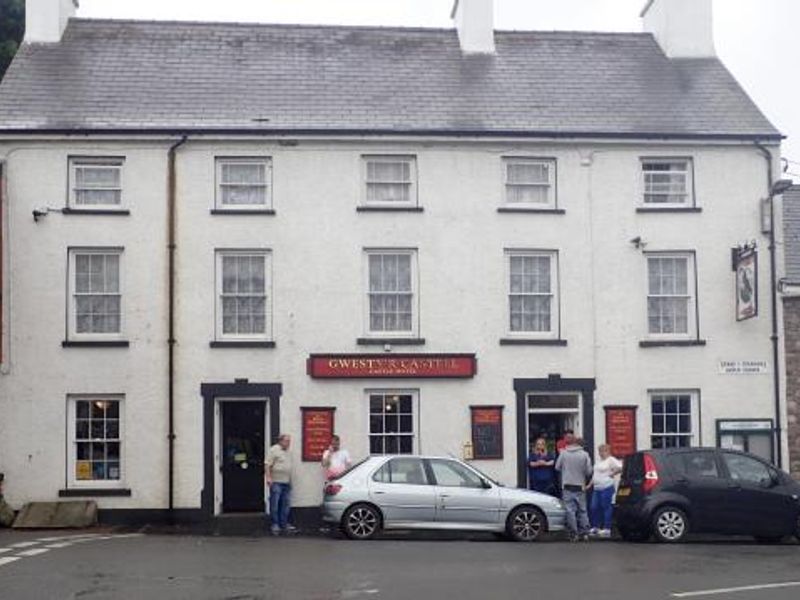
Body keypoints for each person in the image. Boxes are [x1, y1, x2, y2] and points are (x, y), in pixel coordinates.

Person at [555, 431, 593, 542]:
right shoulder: (585, 455)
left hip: (567, 485)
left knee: (570, 511)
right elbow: (589, 472)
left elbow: (557, 467)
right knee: (582, 510)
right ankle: (585, 533)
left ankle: (574, 534)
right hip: (580, 485)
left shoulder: (564, 453)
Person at [265, 433, 296, 536]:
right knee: (275, 504)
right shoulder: (274, 450)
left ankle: (284, 524)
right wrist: (268, 478)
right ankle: (275, 524)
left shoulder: (289, 452)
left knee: (285, 505)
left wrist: (291, 481)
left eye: (289, 441)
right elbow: (267, 464)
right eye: (287, 441)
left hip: (286, 482)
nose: (289, 443)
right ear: (281, 441)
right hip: (276, 482)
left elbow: (289, 467)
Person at [590, 444, 623, 538]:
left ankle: (607, 528)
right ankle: (596, 527)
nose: (601, 453)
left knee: (606, 507)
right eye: (600, 451)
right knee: (594, 507)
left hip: (607, 487)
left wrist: (613, 473)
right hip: (597, 488)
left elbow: (621, 467)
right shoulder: (599, 461)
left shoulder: (611, 460)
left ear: (608, 451)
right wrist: (589, 484)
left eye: (603, 451)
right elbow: (595, 474)